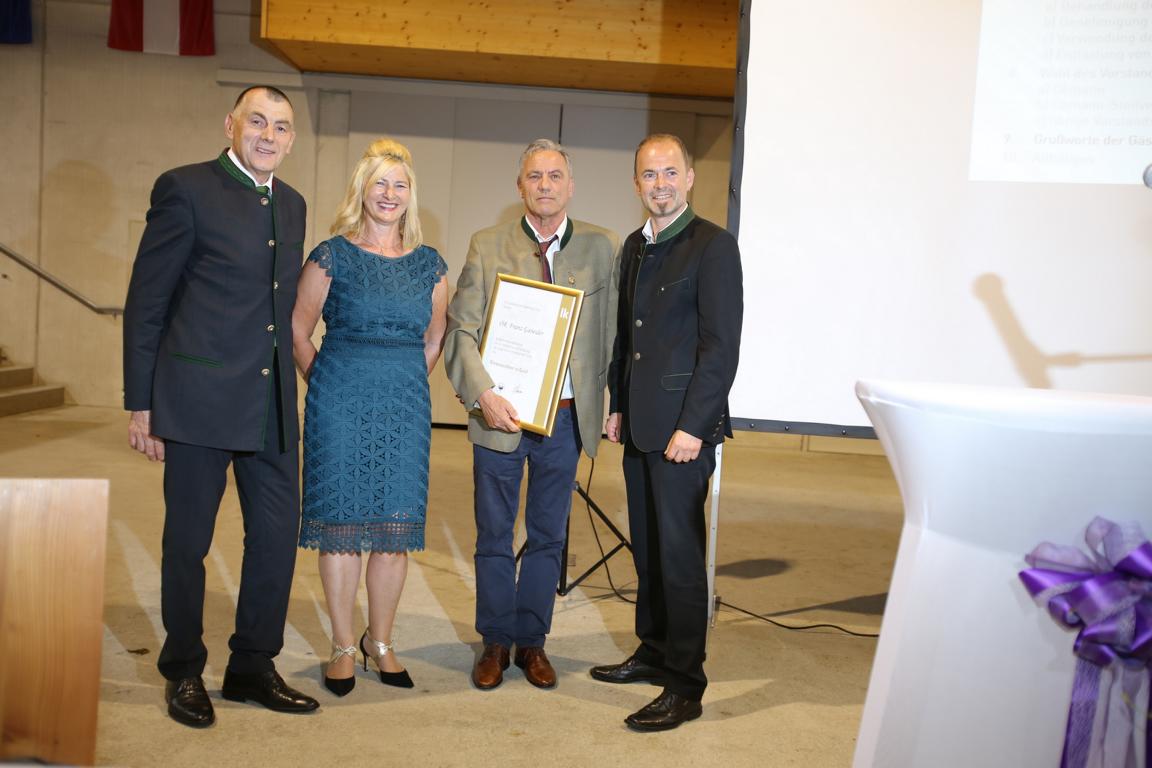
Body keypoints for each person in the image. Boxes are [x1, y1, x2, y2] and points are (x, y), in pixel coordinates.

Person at [123, 85, 320, 727]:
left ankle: (251, 664)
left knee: (274, 537)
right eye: (257, 121)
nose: (269, 134)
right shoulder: (184, 188)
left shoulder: (291, 205)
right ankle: (183, 669)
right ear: (230, 123)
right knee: (187, 542)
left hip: (268, 405)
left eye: (282, 126)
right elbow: (147, 302)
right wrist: (141, 403)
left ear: (292, 138)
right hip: (197, 398)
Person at [444, 139, 620, 690]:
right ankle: (495, 640)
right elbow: (461, 330)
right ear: (519, 186)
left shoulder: (601, 247)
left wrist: (618, 405)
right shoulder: (486, 244)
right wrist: (483, 394)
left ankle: (533, 643)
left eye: (554, 176)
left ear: (571, 185)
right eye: (534, 176)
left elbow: (615, 335)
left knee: (548, 536)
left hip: (565, 418)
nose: (544, 185)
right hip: (501, 414)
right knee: (494, 534)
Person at [590, 134, 743, 731]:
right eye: (649, 175)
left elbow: (720, 348)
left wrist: (694, 428)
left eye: (670, 173)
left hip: (684, 433)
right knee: (649, 551)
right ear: (637, 183)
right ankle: (653, 651)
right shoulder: (634, 246)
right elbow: (628, 339)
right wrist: (617, 403)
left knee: (680, 561)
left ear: (690, 178)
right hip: (639, 427)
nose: (661, 184)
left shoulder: (713, 246)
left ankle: (685, 683)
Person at [292, 138, 448, 696]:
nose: (389, 194)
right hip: (338, 405)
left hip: (405, 408)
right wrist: (329, 382)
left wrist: (401, 382)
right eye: (380, 183)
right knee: (339, 531)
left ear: (411, 195)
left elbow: (434, 341)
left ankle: (378, 642)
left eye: (399, 185)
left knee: (392, 531)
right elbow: (297, 331)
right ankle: (340, 644)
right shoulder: (331, 254)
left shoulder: (430, 265)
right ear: (363, 190)